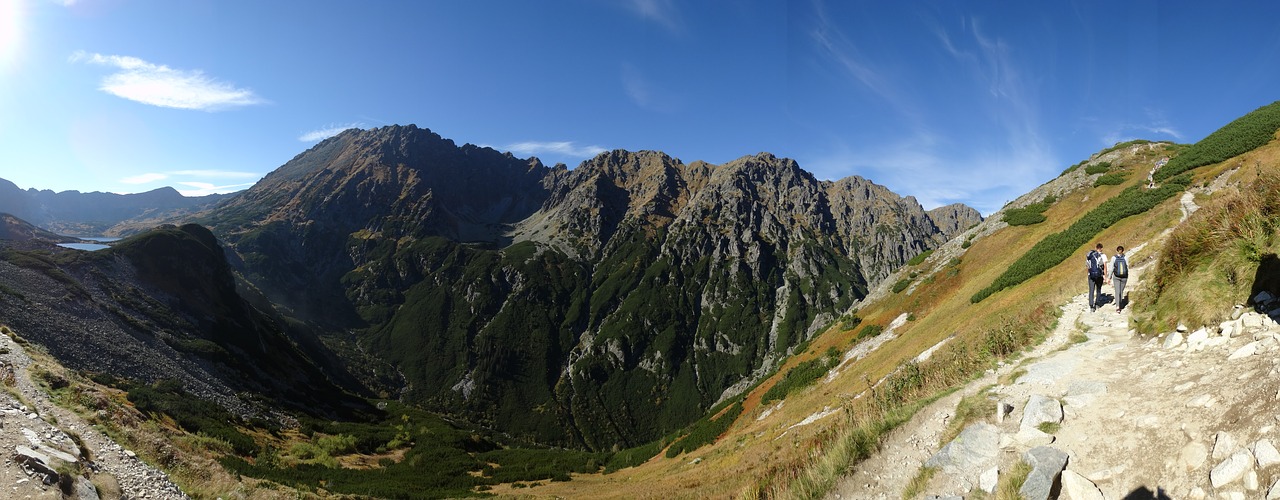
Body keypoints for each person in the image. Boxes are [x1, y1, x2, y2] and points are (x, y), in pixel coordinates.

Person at [1086, 243, 1109, 312]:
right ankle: (1097, 303)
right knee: (1098, 289)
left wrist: (1088, 274)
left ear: (1096, 248)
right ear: (1101, 248)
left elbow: (1087, 266)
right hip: (1099, 275)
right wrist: (1105, 276)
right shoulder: (1103, 255)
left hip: (1091, 275)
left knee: (1091, 290)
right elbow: (1105, 266)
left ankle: (1091, 305)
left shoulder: (1090, 255)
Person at [1112, 245, 1129, 311]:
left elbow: (1111, 268)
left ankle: (1117, 306)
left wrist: (1109, 277)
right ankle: (1120, 303)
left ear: (1117, 250)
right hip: (1124, 277)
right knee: (1121, 291)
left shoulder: (1114, 258)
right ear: (1123, 251)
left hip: (1116, 277)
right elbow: (1127, 266)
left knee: (1117, 291)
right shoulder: (1126, 257)